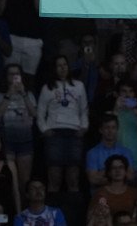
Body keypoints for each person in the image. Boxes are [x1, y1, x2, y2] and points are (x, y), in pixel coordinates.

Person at [36, 55, 89, 193]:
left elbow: (84, 109)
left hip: (74, 133)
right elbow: (40, 112)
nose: (62, 68)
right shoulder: (47, 88)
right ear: (54, 68)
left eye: (64, 64)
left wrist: (84, 128)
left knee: (73, 178)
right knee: (54, 177)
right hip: (54, 134)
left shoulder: (79, 86)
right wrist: (44, 130)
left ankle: (73, 211)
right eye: (59, 65)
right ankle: (53, 209)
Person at [0, 65, 36, 189]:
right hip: (5, 140)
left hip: (25, 139)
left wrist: (23, 94)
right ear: (6, 76)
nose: (14, 76)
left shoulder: (28, 93)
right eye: (11, 74)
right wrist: (9, 94)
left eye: (17, 73)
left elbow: (35, 114)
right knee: (9, 179)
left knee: (25, 180)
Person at [87, 116, 136, 190]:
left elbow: (130, 176)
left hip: (121, 193)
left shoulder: (126, 152)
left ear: (117, 130)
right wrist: (118, 174)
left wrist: (103, 172)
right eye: (107, 127)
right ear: (101, 130)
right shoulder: (92, 153)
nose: (110, 131)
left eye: (113, 127)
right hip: (101, 194)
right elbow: (93, 180)